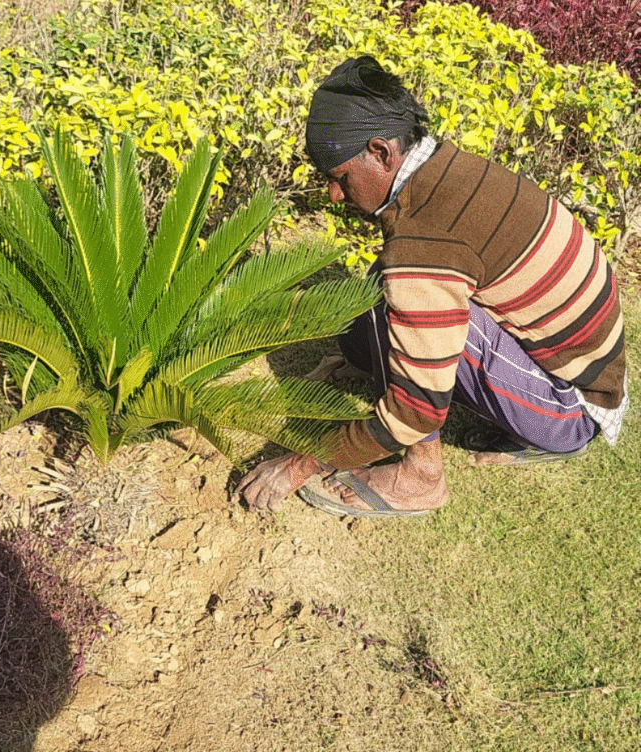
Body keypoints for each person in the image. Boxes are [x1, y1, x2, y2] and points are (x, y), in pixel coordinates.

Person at [235, 55, 629, 516]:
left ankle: (421, 478)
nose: (334, 195)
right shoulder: (444, 167)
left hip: (572, 406)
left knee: (397, 296)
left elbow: (415, 410)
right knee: (373, 316)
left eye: (340, 177)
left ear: (382, 152)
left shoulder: (423, 242)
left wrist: (299, 466)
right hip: (583, 369)